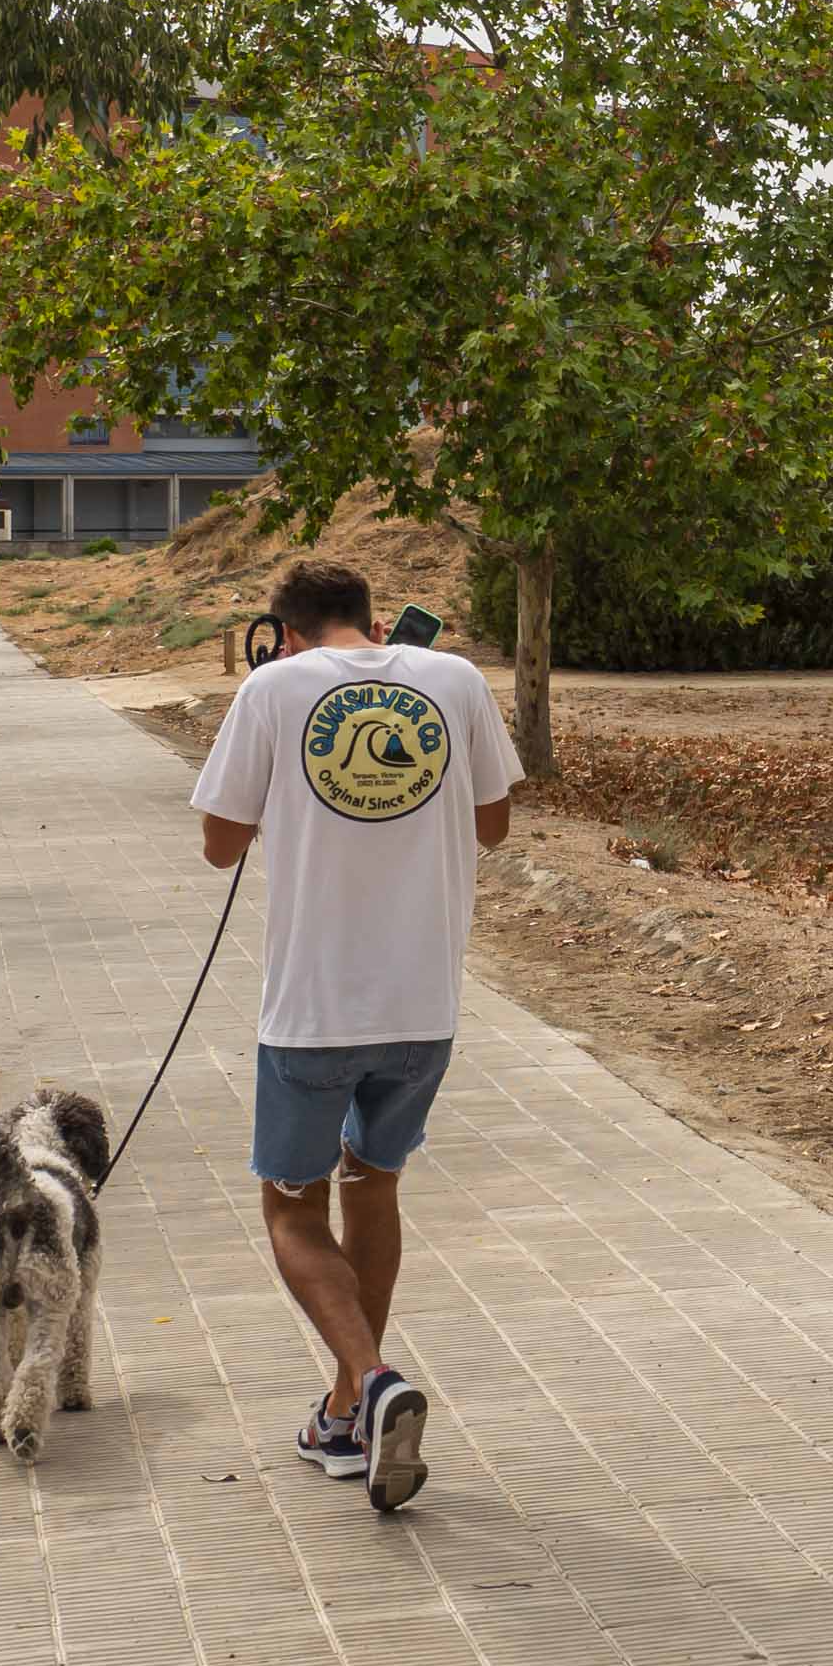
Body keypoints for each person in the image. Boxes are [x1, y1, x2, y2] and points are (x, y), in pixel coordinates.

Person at [190, 558, 521, 1512]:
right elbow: (492, 824)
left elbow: (220, 841)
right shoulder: (454, 679)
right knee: (373, 1185)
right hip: (426, 1007)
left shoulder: (273, 687)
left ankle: (374, 1381)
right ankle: (344, 1416)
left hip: (313, 1013)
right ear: (375, 621)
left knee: (292, 1212)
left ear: (283, 631)